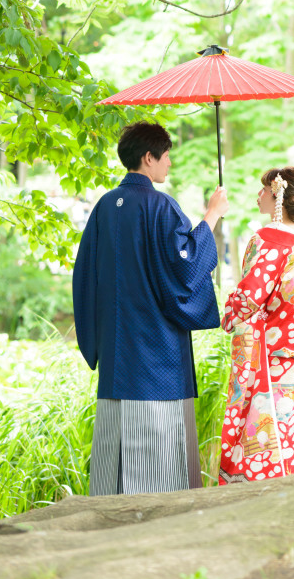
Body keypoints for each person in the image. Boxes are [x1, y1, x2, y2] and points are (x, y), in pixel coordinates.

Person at [73, 121, 228, 496]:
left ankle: (110, 513)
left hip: (116, 352)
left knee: (115, 459)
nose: (170, 164)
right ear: (148, 157)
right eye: (167, 155)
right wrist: (213, 215)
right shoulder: (161, 206)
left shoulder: (105, 207)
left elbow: (83, 277)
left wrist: (96, 342)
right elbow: (187, 265)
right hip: (156, 353)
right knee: (160, 460)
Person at [218, 166, 294, 483]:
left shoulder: (268, 240)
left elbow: (249, 299)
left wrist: (227, 315)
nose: (258, 196)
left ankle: (262, 496)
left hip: (272, 359)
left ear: (277, 196)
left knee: (267, 438)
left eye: (263, 191)